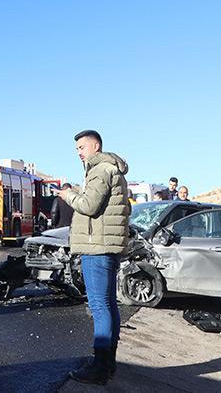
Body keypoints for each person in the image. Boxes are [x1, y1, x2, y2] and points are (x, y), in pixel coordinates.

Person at [54, 130, 130, 385]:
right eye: (76, 149)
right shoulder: (113, 170)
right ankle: (108, 363)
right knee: (108, 304)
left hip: (96, 247)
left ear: (95, 146)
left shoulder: (100, 169)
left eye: (82, 147)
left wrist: (67, 195)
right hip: (107, 246)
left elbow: (89, 206)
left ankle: (99, 367)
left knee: (99, 306)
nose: (79, 152)